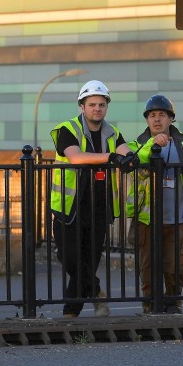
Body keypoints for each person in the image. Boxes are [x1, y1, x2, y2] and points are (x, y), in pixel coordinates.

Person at [49, 80, 136, 318]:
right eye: (92, 104)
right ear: (82, 106)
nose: (97, 108)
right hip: (70, 207)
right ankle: (97, 292)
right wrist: (112, 157)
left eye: (101, 104)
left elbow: (125, 151)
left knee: (87, 261)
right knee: (68, 257)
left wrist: (130, 158)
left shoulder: (112, 132)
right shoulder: (67, 129)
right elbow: (76, 158)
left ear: (106, 107)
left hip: (100, 207)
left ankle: (70, 314)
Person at [126, 95, 183, 314]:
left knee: (177, 266)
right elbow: (134, 159)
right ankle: (150, 307)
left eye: (162, 115)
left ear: (171, 119)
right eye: (152, 115)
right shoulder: (138, 142)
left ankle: (173, 303)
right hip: (146, 219)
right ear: (147, 120)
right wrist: (152, 144)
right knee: (148, 268)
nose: (157, 119)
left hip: (179, 218)